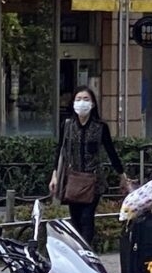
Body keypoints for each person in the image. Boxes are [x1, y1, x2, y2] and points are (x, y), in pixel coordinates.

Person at [49, 85, 132, 246]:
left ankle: (86, 252)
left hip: (94, 181)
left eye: (86, 99)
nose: (82, 103)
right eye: (78, 99)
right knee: (76, 219)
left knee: (87, 218)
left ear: (93, 104)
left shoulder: (100, 127)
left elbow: (111, 152)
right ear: (73, 103)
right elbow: (60, 151)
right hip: (73, 179)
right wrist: (55, 176)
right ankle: (78, 252)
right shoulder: (67, 125)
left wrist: (122, 176)